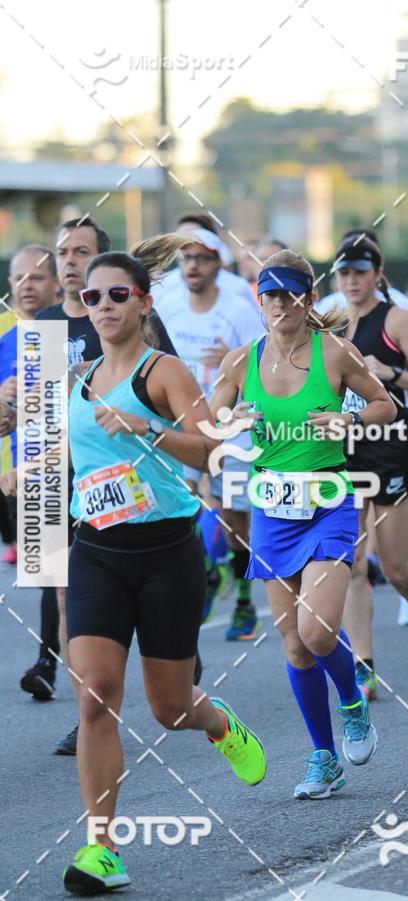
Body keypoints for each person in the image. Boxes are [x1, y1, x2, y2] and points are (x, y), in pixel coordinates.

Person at [2, 233, 267, 894]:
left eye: (117, 294)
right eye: (91, 296)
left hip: (166, 552)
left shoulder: (162, 372)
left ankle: (217, 721)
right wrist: (24, 468)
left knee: (169, 708)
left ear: (143, 302)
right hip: (96, 551)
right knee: (93, 694)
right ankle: (102, 848)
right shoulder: (80, 376)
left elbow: (209, 452)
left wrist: (145, 426)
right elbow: (72, 442)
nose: (102, 305)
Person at [210, 249, 395, 799]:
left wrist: (352, 417)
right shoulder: (242, 361)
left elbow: (385, 405)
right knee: (293, 645)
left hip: (329, 502)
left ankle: (353, 702)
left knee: (317, 632)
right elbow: (210, 412)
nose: (279, 304)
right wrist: (230, 418)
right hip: (271, 509)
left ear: (308, 300)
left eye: (290, 294)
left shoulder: (333, 352)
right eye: (269, 294)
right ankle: (323, 756)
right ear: (258, 300)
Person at [23, 217, 183, 755]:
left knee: (169, 697)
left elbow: (182, 418)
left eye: (80, 252)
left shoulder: (134, 331)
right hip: (66, 480)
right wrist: (17, 441)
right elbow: (37, 406)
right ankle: (84, 705)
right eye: (62, 251)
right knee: (62, 588)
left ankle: (174, 671)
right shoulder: (42, 321)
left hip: (146, 500)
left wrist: (147, 428)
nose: (66, 261)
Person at [331, 237, 408, 701]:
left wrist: (389, 372)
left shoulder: (396, 319)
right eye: (344, 273)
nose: (352, 281)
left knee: (395, 569)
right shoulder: (331, 321)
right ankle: (364, 667)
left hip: (394, 449)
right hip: (347, 452)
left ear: (377, 273)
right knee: (353, 564)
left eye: (361, 271)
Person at [161, 229, 264, 639]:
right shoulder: (168, 307)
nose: (192, 266)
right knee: (183, 509)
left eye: (201, 258)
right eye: (185, 258)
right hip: (182, 424)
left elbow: (263, 367)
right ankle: (203, 576)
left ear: (218, 263)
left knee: (237, 522)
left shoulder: (239, 311)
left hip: (230, 430)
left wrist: (232, 362)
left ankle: (243, 599)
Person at [0, 245, 60, 567]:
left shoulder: (75, 325)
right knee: (49, 579)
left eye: (37, 277)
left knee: (70, 580)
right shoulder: (3, 331)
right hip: (15, 473)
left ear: (56, 282)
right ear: (10, 281)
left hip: (71, 470)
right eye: (20, 277)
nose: (27, 285)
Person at [151, 212, 257, 315]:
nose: (185, 243)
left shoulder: (238, 288)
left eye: (194, 237)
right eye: (178, 239)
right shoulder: (162, 285)